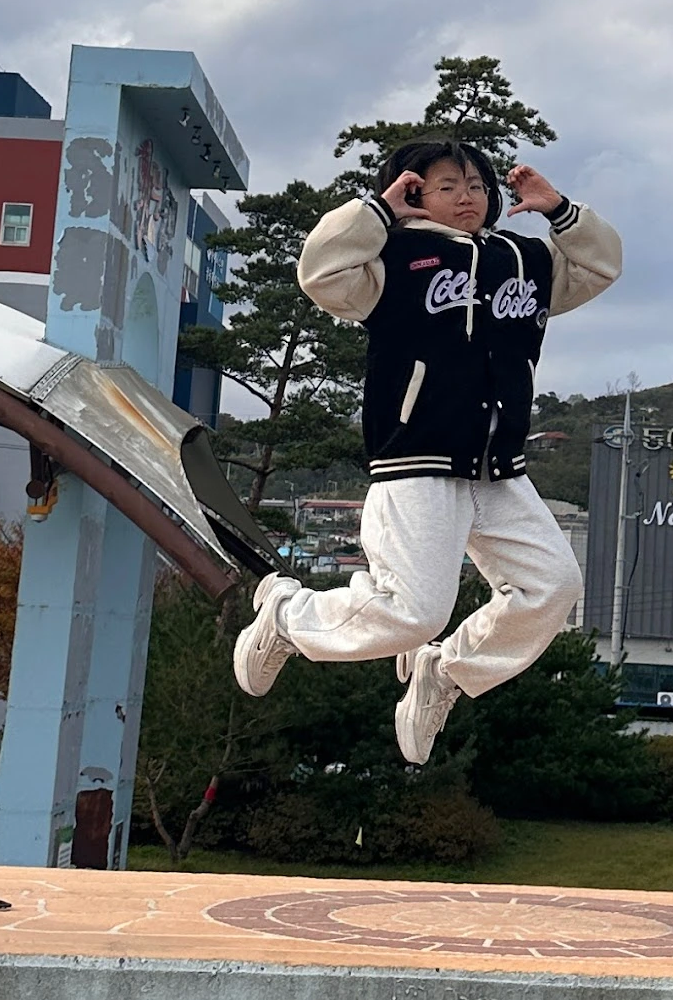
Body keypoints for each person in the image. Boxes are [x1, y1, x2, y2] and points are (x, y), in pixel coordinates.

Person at [229, 136, 621, 763]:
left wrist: (558, 209)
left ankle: (446, 671)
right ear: (412, 192)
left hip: (497, 466)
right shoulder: (389, 258)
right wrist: (379, 211)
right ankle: (287, 614)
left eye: (477, 185)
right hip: (417, 459)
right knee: (413, 613)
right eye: (446, 186)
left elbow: (600, 266)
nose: (467, 196)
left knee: (552, 586)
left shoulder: (524, 259)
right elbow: (319, 272)